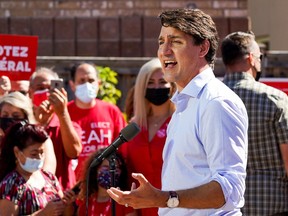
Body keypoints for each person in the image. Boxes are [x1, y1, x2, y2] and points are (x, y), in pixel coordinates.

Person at [107, 8, 249, 215]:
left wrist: (165, 199)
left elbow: (230, 190)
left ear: (203, 48)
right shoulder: (185, 104)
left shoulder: (216, 103)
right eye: (161, 42)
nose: (164, 51)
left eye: (175, 42)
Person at [221, 31, 288, 215]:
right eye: (260, 56)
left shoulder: (208, 99)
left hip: (223, 203)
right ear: (251, 58)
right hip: (271, 203)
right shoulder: (275, 99)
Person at [125, 58, 176, 215]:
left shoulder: (180, 121)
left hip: (177, 205)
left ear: (172, 85)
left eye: (162, 82)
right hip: (141, 208)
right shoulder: (134, 127)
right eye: (150, 83)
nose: (156, 87)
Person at [0, 122, 76, 215]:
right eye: (34, 154)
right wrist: (43, 213)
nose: (39, 157)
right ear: (17, 152)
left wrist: (68, 203)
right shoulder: (12, 183)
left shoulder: (49, 177)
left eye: (42, 153)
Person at [68, 63, 126, 180]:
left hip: (105, 185)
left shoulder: (111, 111)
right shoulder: (64, 113)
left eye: (91, 80)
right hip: (73, 187)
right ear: (72, 85)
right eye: (82, 80)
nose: (87, 85)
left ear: (98, 84)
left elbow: (123, 149)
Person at [29, 67, 82, 190]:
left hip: (61, 197)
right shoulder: (24, 124)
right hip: (31, 194)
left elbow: (74, 152)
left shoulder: (67, 125)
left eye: (51, 88)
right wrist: (38, 124)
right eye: (41, 88)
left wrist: (62, 113)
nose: (47, 93)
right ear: (30, 92)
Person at [0, 91, 56, 174]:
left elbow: (48, 172)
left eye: (16, 116)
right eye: (5, 116)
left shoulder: (41, 141)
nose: (10, 119)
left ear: (26, 118)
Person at [74, 148, 137, 216]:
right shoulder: (85, 204)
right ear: (95, 170)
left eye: (115, 168)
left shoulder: (125, 202)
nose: (110, 172)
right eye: (105, 167)